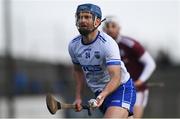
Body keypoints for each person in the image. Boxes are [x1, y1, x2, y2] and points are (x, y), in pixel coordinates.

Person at [68, 3, 136, 118]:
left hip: (120, 88)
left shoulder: (108, 44)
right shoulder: (73, 45)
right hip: (100, 93)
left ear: (97, 21)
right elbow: (78, 72)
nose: (82, 20)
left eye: (87, 17)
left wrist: (102, 95)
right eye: (79, 17)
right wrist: (78, 97)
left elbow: (116, 77)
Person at [102, 16, 156, 118]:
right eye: (107, 26)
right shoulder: (102, 46)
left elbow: (150, 64)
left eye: (113, 26)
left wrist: (140, 81)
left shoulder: (130, 44)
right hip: (117, 91)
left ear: (119, 28)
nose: (110, 29)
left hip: (137, 90)